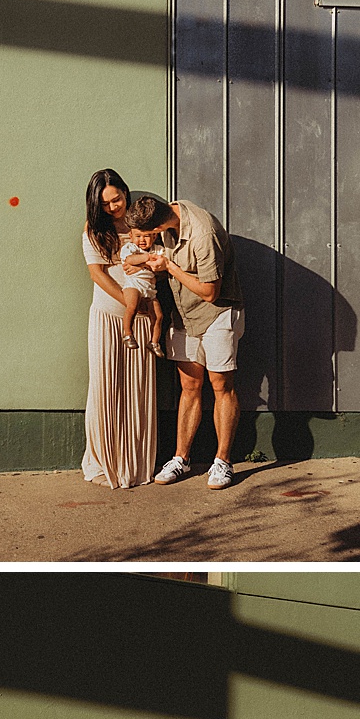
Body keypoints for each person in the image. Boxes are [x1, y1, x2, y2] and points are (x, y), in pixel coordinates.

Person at [123, 195, 244, 491]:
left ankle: (223, 462)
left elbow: (210, 292)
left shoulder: (204, 233)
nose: (145, 240)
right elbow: (147, 257)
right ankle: (181, 458)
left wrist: (170, 267)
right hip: (184, 315)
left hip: (217, 314)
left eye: (147, 234)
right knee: (189, 387)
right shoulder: (168, 217)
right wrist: (143, 262)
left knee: (220, 386)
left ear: (159, 224)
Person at [81, 168, 158, 489]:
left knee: (138, 390)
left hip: (142, 320)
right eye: (106, 203)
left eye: (117, 198)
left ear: (126, 192)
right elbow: (98, 274)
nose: (114, 207)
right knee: (104, 387)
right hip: (106, 316)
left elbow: (160, 263)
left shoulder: (141, 224)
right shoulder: (93, 230)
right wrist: (130, 304)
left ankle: (135, 464)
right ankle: (103, 462)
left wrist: (143, 305)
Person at [115, 226, 166, 356]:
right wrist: (148, 258)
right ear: (131, 236)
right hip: (133, 284)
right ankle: (128, 334)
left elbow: (163, 267)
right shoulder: (130, 248)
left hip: (150, 289)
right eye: (138, 236)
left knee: (158, 315)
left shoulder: (159, 250)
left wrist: (142, 265)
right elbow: (130, 260)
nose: (142, 240)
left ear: (154, 236)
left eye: (147, 236)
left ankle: (154, 342)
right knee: (132, 306)